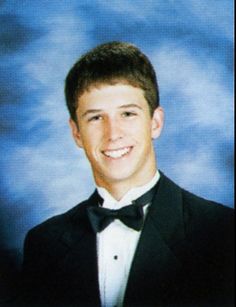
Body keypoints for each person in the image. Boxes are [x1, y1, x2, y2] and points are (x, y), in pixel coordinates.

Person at [20, 42, 234, 306]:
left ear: (155, 123)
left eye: (128, 114)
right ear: (76, 133)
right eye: (96, 118)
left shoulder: (221, 233)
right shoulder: (44, 244)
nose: (113, 134)